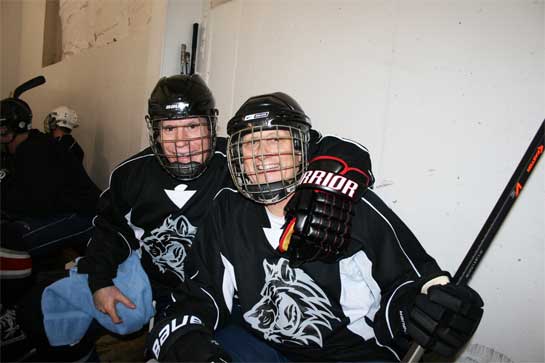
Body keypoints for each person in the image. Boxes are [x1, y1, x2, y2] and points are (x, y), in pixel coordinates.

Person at [18, 75, 373, 361]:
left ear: (211, 125)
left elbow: (322, 146)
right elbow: (110, 231)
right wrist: (99, 281)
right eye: (169, 129)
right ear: (155, 131)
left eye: (192, 127)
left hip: (219, 291)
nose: (182, 141)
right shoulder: (131, 174)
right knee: (49, 309)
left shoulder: (239, 163)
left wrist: (334, 180)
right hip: (150, 277)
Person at [145, 92, 484, 362]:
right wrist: (185, 339)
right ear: (238, 157)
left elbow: (407, 282)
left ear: (300, 149)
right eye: (250, 144)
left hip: (349, 354)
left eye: (276, 140)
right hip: (263, 344)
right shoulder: (227, 209)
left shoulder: (350, 205)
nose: (262, 155)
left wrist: (430, 308)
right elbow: (202, 293)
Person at [0, 87, 100, 361]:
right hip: (64, 211)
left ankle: (14, 315)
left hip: (85, 217)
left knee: (9, 240)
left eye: (3, 128)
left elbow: (40, 203)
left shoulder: (36, 149)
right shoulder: (22, 149)